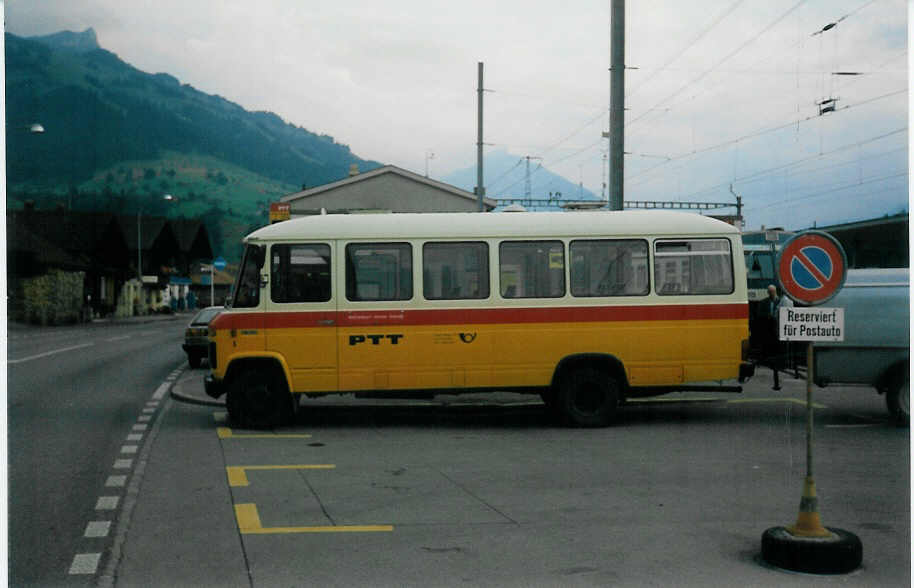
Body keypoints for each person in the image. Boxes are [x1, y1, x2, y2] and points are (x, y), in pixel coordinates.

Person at [759, 284, 784, 390]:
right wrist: (767, 317)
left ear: (776, 292)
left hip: (778, 328)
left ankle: (779, 364)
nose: (771, 293)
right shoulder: (763, 302)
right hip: (768, 329)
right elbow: (759, 314)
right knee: (769, 347)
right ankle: (771, 363)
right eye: (769, 292)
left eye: (773, 291)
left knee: (779, 347)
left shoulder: (781, 302)